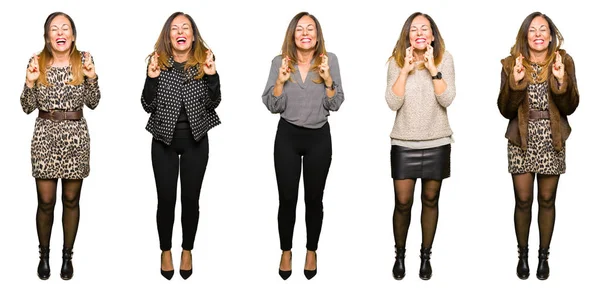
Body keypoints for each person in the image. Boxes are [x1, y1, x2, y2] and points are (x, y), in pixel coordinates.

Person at [262, 11, 344, 280]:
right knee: (287, 199)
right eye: (299, 29)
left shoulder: (329, 61)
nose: (305, 33)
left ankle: (311, 250)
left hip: (319, 137)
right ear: (292, 34)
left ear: (318, 35)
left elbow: (336, 103)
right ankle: (286, 251)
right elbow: (273, 105)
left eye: (310, 28)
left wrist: (329, 80)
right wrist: (280, 82)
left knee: (314, 199)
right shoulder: (279, 62)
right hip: (287, 137)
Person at [497, 11, 579, 281]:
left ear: (551, 35)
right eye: (532, 30)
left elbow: (571, 106)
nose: (538, 34)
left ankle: (544, 256)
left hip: (551, 139)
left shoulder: (563, 61)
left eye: (543, 29)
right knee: (523, 200)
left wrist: (560, 80)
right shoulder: (511, 63)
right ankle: (522, 255)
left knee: (547, 200)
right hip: (521, 139)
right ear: (525, 35)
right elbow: (505, 109)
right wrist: (516, 82)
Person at [20, 12, 101, 281]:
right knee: (45, 201)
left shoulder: (83, 61)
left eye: (65, 28)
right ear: (47, 36)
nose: (60, 33)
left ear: (73, 35)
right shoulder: (37, 62)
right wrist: (29, 82)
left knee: (71, 199)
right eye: (54, 29)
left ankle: (67, 256)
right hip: (45, 137)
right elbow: (27, 107)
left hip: (76, 138)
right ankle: (44, 255)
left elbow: (93, 102)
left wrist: (92, 76)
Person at [141, 11, 221, 280]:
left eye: (185, 27)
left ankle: (187, 249)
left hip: (196, 142)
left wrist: (212, 75)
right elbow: (147, 105)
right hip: (163, 141)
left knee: (190, 200)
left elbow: (213, 103)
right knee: (165, 200)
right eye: (174, 28)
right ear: (168, 36)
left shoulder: (203, 63)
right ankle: (165, 250)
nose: (180, 32)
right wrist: (151, 79)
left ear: (193, 35)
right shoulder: (157, 63)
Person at [385, 12, 455, 281]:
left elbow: (447, 98)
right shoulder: (396, 61)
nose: (419, 32)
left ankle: (426, 256)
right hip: (403, 141)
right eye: (414, 29)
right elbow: (393, 102)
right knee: (402, 202)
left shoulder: (444, 59)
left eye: (424, 28)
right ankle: (399, 255)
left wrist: (433, 69)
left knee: (431, 199)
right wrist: (405, 70)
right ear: (408, 36)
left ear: (432, 35)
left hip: (437, 140)